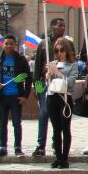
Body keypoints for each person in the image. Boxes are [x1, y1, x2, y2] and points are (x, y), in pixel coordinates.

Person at [31, 17, 68, 158]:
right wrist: (37, 87)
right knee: (43, 113)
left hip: (60, 83)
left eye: (64, 26)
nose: (62, 28)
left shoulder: (67, 43)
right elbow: (37, 68)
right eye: (60, 26)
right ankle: (40, 145)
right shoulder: (43, 44)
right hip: (44, 83)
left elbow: (72, 62)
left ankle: (55, 143)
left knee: (57, 115)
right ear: (52, 27)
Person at [43, 37, 80, 169]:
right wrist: (47, 75)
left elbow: (70, 82)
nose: (59, 53)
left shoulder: (73, 65)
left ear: (67, 51)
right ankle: (58, 158)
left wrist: (57, 73)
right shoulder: (52, 63)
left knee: (65, 128)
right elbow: (46, 83)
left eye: (62, 50)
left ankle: (65, 158)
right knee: (56, 129)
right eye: (56, 50)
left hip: (64, 98)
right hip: (52, 96)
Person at [0, 35, 31, 159]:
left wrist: (25, 96)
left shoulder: (21, 60)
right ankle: (2, 147)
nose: (9, 46)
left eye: (11, 44)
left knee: (16, 123)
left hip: (16, 96)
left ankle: (17, 148)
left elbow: (28, 77)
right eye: (7, 43)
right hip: (2, 97)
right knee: (2, 123)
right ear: (2, 45)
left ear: (15, 45)